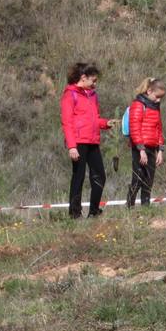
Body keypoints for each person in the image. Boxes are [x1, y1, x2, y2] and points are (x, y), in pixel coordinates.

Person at [60, 62, 116, 219]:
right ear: (83, 78)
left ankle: (94, 211)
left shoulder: (93, 96)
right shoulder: (69, 95)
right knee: (78, 177)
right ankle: (75, 214)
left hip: (93, 141)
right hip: (78, 142)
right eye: (94, 80)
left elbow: (95, 120)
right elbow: (67, 123)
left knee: (99, 176)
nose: (95, 84)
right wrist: (72, 147)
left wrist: (106, 123)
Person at [126, 78, 166, 208]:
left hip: (152, 148)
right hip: (139, 148)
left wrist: (160, 150)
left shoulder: (156, 107)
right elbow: (134, 128)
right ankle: (130, 206)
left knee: (149, 180)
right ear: (149, 91)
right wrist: (141, 149)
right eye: (157, 96)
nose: (159, 100)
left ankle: (145, 207)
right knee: (137, 179)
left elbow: (159, 128)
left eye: (161, 98)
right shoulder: (138, 105)